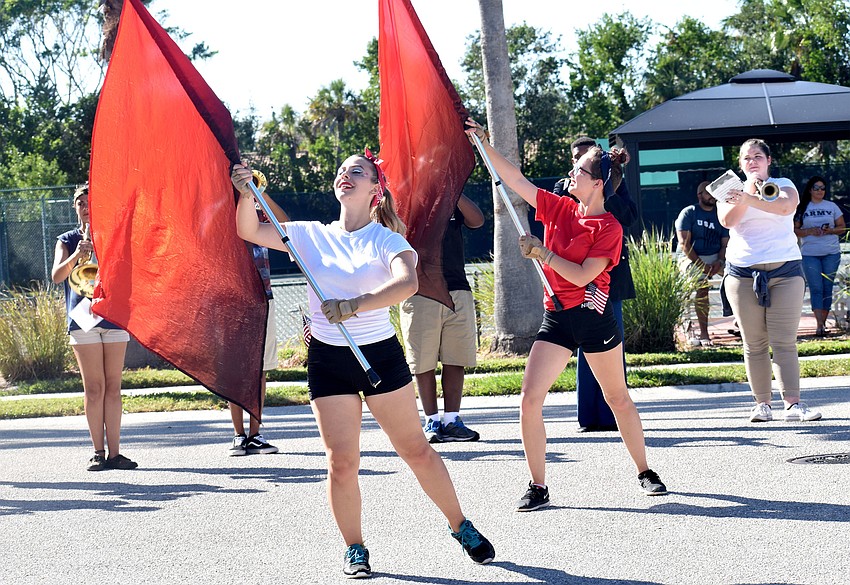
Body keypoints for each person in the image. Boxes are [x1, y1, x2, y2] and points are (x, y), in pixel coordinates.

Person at [231, 151, 494, 578]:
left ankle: (459, 525)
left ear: (376, 189)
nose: (344, 175)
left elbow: (407, 283)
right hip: (329, 360)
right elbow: (248, 229)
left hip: (379, 354)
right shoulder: (310, 234)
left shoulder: (386, 240)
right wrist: (246, 193)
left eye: (357, 171)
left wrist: (354, 305)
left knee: (415, 450)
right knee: (341, 461)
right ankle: (355, 548)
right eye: (341, 171)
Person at [465, 118, 668, 511]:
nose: (570, 173)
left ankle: (645, 471)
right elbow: (515, 179)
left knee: (617, 398)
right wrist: (482, 144)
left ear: (597, 183)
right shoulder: (559, 206)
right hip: (557, 319)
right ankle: (538, 485)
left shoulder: (609, 227)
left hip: (594, 318)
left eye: (579, 170)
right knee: (529, 399)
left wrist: (543, 253)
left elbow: (582, 274)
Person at [717, 139, 822, 423]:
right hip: (742, 274)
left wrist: (751, 196)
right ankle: (762, 404)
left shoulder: (783, 183)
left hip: (785, 272)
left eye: (758, 157)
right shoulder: (728, 189)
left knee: (784, 341)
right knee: (754, 343)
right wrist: (746, 190)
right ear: (740, 164)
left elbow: (786, 208)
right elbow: (728, 221)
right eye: (746, 158)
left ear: (768, 161)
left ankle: (793, 404)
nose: (752, 162)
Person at [51, 184, 137, 471]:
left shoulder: (114, 235)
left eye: (91, 201)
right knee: (94, 389)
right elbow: (56, 275)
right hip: (83, 317)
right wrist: (78, 254)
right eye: (80, 202)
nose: (86, 206)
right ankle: (98, 453)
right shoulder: (67, 239)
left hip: (112, 314)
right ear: (75, 208)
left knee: (113, 387)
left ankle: (115, 453)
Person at [555, 136, 638, 433]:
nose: (579, 163)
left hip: (607, 278)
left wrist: (607, 191)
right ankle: (589, 417)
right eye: (576, 158)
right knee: (582, 347)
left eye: (587, 158)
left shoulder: (613, 185)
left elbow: (629, 217)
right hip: (574, 280)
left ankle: (614, 414)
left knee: (610, 345)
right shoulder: (562, 189)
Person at [399, 194, 485, 443]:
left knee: (455, 357)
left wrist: (454, 190)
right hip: (420, 290)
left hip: (457, 288)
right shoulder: (407, 196)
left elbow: (477, 220)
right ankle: (432, 420)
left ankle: (452, 420)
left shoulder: (451, 196)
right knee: (423, 360)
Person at [228, 193, 289, 456]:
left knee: (260, 370)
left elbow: (286, 224)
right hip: (231, 303)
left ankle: (256, 434)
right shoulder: (223, 216)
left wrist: (260, 193)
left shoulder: (260, 214)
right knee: (235, 371)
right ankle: (238, 435)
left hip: (263, 299)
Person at [675, 180, 730, 346]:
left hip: (716, 258)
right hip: (691, 258)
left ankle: (739, 323)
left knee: (739, 279)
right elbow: (684, 244)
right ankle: (703, 334)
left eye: (714, 193)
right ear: (700, 195)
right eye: (708, 193)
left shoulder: (722, 213)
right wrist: (701, 265)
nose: (712, 196)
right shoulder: (689, 212)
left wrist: (720, 261)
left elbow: (725, 244)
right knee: (701, 287)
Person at [793, 175, 846, 337]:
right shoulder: (802, 208)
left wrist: (830, 230)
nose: (820, 191)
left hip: (831, 252)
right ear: (810, 190)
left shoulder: (832, 206)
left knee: (827, 288)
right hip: (810, 254)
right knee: (816, 288)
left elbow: (842, 227)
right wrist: (810, 231)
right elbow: (795, 229)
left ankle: (824, 323)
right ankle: (819, 324)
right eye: (816, 188)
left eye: (823, 188)